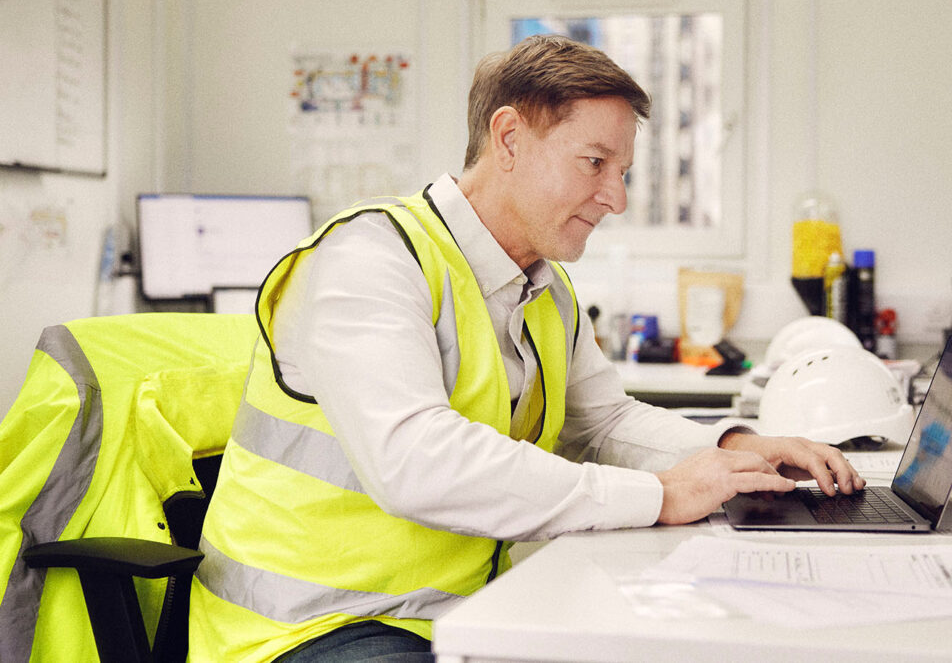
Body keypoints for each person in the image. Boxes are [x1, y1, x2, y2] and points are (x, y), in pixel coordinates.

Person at [189, 35, 864, 662]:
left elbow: (602, 421)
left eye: (622, 170)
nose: (616, 198)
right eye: (595, 163)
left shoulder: (544, 287)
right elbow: (414, 462)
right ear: (508, 137)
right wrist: (657, 494)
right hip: (314, 624)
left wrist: (732, 449)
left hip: (455, 611)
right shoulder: (368, 261)